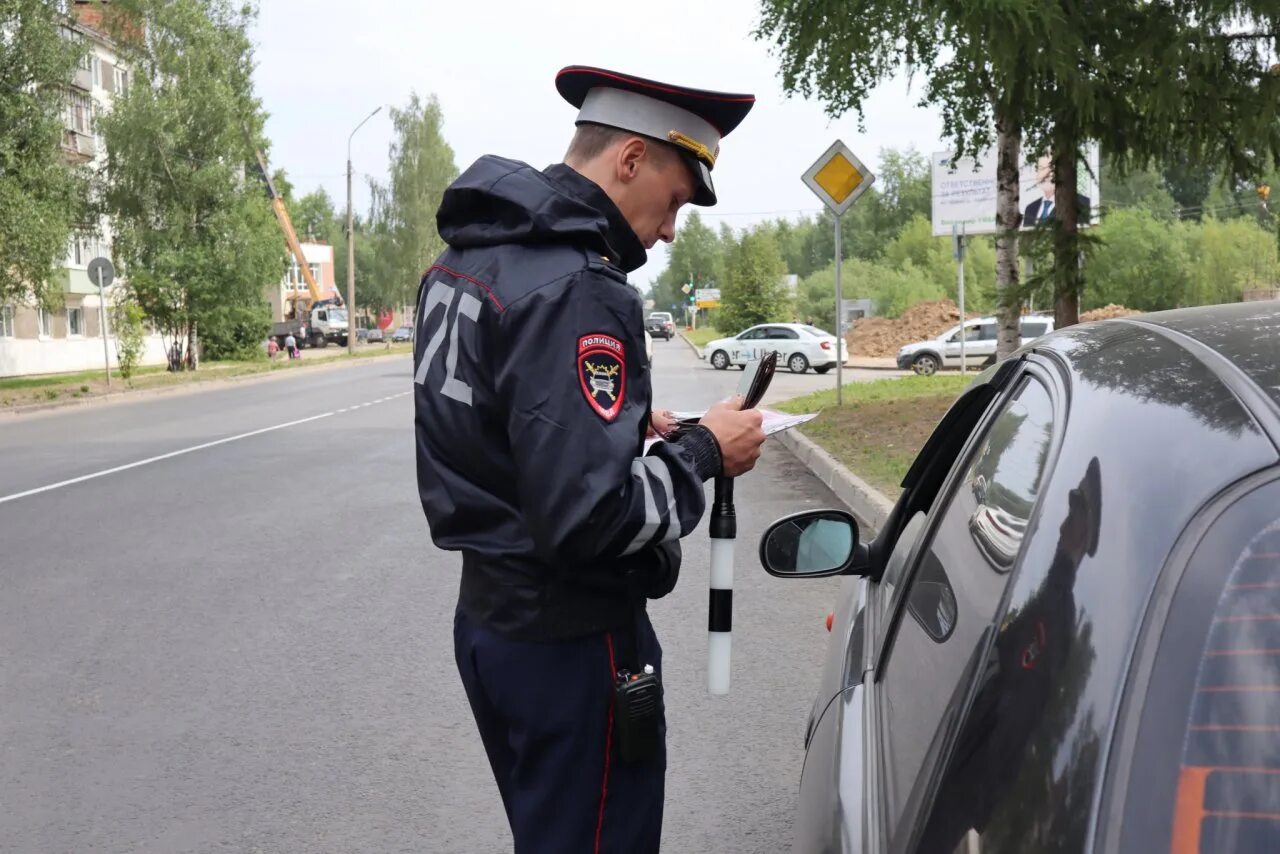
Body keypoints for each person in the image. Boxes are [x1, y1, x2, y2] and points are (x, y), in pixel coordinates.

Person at [413, 65, 767, 852]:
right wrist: (707, 450)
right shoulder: (580, 286)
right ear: (631, 161)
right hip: (572, 644)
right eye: (676, 199)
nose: (672, 228)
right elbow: (590, 517)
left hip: (491, 627)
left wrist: (627, 433)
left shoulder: (467, 261)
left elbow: (506, 436)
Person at [1022, 154, 1092, 227]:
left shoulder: (1083, 204)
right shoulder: (1030, 209)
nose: (1046, 174)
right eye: (1042, 168)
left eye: (1052, 168)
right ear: (1037, 173)